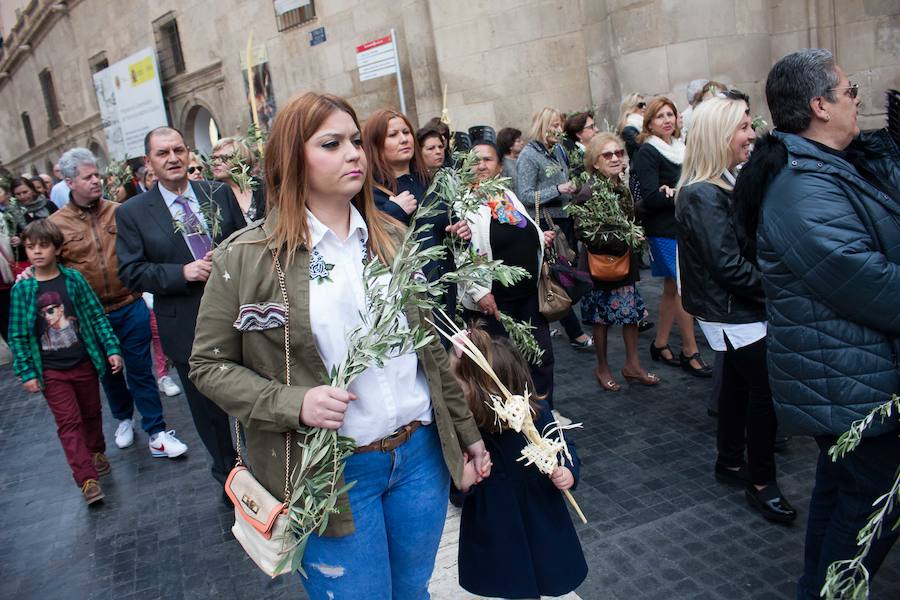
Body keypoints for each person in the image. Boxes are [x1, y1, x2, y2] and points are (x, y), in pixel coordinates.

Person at [188, 92, 489, 597]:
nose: (354, 153)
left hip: (419, 458)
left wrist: (466, 432)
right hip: (332, 473)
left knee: (414, 590)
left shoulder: (391, 235)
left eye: (355, 141)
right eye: (332, 143)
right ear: (290, 159)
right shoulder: (245, 259)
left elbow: (427, 350)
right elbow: (208, 366)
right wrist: (293, 402)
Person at [734, 48, 900, 599]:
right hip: (854, 383)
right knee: (868, 514)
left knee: (843, 498)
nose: (858, 101)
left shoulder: (824, 166)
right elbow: (863, 279)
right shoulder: (802, 185)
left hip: (851, 375)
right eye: (850, 92)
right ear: (819, 105)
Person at [675, 95, 797, 524]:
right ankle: (762, 482)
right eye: (744, 127)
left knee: (739, 389)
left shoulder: (717, 185)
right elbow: (727, 267)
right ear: (720, 135)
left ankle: (729, 461)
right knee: (763, 397)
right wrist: (780, 290)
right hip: (734, 312)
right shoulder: (703, 194)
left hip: (735, 309)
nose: (752, 134)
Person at [116, 126, 245, 486]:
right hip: (186, 324)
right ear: (148, 162)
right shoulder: (133, 213)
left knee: (253, 398)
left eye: (178, 150)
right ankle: (231, 480)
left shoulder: (218, 193)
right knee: (209, 412)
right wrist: (181, 272)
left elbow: (245, 242)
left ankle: (270, 473)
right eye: (163, 153)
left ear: (189, 153)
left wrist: (230, 256)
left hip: (239, 316)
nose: (173, 158)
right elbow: (130, 271)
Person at [48, 147, 186, 456]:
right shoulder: (58, 224)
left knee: (140, 369)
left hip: (129, 303)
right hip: (92, 316)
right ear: (70, 182)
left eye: (97, 174)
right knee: (108, 372)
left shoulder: (119, 211)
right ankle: (123, 418)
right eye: (88, 177)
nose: (96, 181)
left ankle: (156, 430)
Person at [452, 326, 587, 599]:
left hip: (539, 515)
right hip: (497, 529)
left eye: (456, 385)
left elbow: (563, 447)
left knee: (544, 575)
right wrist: (464, 482)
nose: (451, 393)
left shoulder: (535, 416)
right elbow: (455, 491)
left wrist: (568, 473)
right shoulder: (466, 432)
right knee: (512, 585)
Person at [8, 219, 123, 504]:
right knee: (68, 422)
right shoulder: (22, 290)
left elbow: (96, 315)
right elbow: (18, 334)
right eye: (30, 246)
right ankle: (87, 480)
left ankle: (96, 450)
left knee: (92, 412)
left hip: (84, 361)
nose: (37, 252)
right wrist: (26, 372)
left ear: (57, 248)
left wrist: (111, 347)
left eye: (43, 245)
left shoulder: (73, 279)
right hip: (51, 370)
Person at [460, 141, 561, 416]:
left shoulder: (506, 195)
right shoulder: (463, 202)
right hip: (496, 302)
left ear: (500, 166)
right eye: (475, 160)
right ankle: (510, 421)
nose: (481, 165)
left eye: (488, 160)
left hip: (528, 295)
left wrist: (540, 237)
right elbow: (462, 252)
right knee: (502, 365)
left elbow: (524, 229)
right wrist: (479, 291)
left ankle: (542, 414)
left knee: (541, 357)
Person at [632, 97, 711, 377]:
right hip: (663, 230)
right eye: (660, 116)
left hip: (683, 226)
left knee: (671, 288)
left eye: (671, 114)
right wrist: (680, 194)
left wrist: (677, 191)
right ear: (649, 122)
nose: (667, 120)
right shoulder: (647, 152)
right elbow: (652, 197)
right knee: (682, 287)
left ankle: (660, 343)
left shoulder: (681, 147)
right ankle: (690, 351)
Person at [575, 133, 659, 391]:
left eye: (619, 153)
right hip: (602, 266)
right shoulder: (590, 191)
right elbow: (582, 231)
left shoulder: (620, 186)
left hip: (624, 263)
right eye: (607, 154)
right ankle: (603, 368)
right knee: (602, 320)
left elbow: (629, 215)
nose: (615, 158)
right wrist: (623, 239)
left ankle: (632, 365)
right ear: (595, 162)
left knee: (630, 314)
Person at [362, 108, 467, 313]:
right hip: (410, 297)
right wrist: (395, 211)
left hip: (445, 288)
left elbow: (448, 231)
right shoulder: (372, 192)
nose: (403, 139)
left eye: (406, 132)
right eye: (393, 135)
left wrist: (461, 233)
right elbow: (371, 242)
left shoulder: (430, 183)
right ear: (375, 144)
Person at [516, 107, 593, 352]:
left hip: (565, 220)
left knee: (566, 275)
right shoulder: (528, 155)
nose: (559, 130)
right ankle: (575, 332)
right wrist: (559, 190)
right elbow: (525, 195)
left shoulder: (557, 149)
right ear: (542, 125)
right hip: (547, 223)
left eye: (560, 125)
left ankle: (557, 322)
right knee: (557, 278)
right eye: (554, 125)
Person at [210, 137, 265, 224]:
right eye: (213, 158)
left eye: (223, 158)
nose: (216, 163)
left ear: (240, 160)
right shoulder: (211, 193)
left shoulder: (263, 187)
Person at [557, 111, 598, 182]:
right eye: (591, 127)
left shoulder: (596, 149)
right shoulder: (574, 158)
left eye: (595, 125)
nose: (597, 130)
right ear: (578, 134)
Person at [616, 93, 647, 160]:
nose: (644, 107)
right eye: (640, 105)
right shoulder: (628, 129)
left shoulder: (643, 125)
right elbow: (645, 147)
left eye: (645, 104)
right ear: (631, 108)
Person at [496, 126, 524, 193]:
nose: (522, 142)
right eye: (518, 141)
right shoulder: (505, 165)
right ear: (510, 145)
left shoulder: (520, 159)